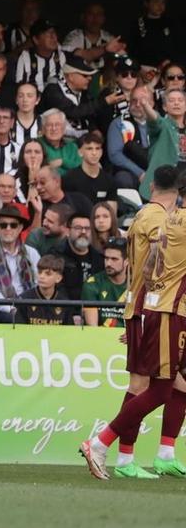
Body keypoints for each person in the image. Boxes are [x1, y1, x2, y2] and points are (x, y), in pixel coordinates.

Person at [83, 165, 186, 479]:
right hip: (157, 307)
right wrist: (143, 312)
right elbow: (159, 264)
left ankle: (164, 452)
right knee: (150, 387)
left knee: (177, 384)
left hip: (154, 306)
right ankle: (113, 449)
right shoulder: (162, 219)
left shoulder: (153, 216)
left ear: (151, 184)